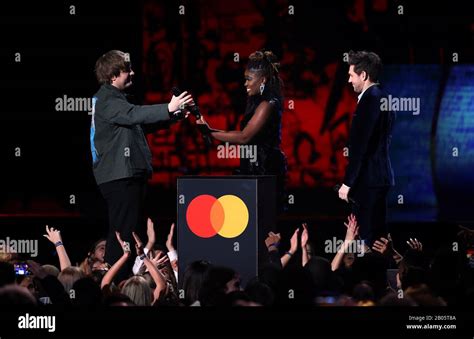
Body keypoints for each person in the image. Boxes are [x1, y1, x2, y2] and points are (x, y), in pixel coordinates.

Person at [90, 50, 193, 281]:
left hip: (125, 176)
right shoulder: (108, 99)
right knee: (122, 234)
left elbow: (137, 124)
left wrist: (173, 115)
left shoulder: (116, 100)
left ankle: (121, 283)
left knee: (127, 232)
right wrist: (168, 107)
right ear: (113, 75)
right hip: (119, 177)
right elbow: (134, 115)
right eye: (128, 69)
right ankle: (116, 286)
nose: (133, 73)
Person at [197, 50, 287, 211]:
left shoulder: (268, 104)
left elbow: (245, 136)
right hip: (253, 168)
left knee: (263, 222)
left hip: (265, 171)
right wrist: (210, 130)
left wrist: (209, 132)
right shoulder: (256, 102)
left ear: (263, 80)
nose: (245, 83)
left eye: (249, 79)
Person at [338, 50, 395, 246]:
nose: (349, 80)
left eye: (351, 75)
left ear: (363, 75)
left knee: (367, 239)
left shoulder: (370, 100)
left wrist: (348, 183)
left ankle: (367, 276)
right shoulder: (383, 97)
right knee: (379, 238)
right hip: (380, 178)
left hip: (369, 181)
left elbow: (362, 147)